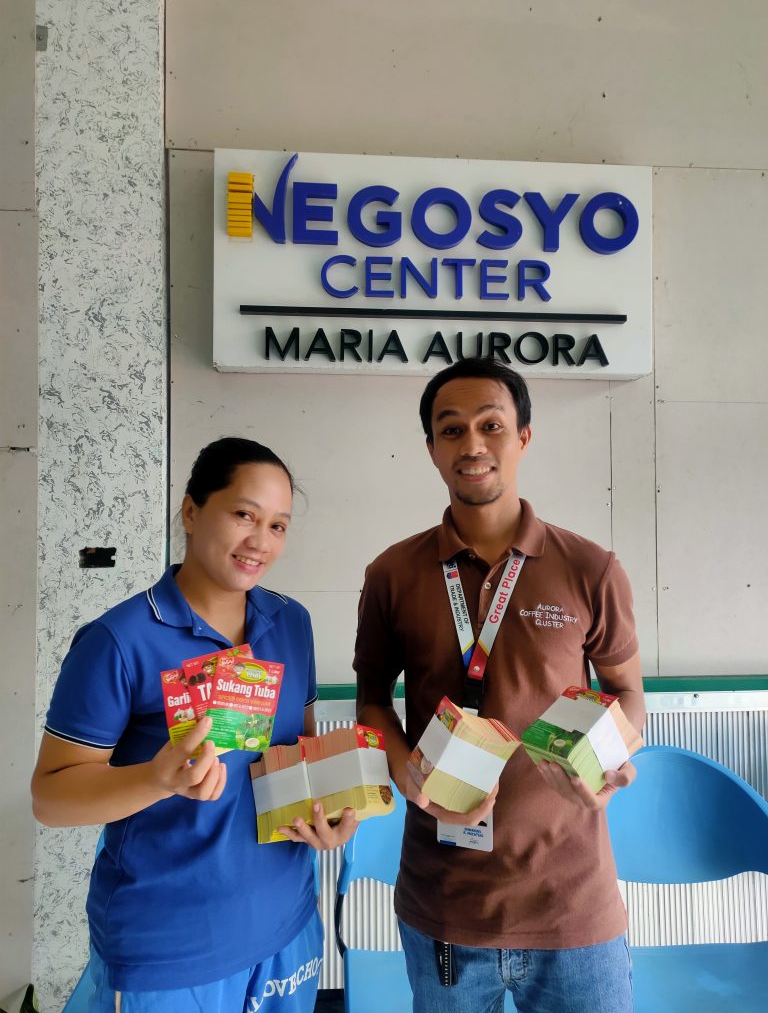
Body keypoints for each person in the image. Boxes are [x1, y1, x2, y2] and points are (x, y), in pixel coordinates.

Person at [354, 358, 645, 1013]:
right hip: (446, 906)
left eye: (491, 425)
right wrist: (408, 774)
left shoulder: (591, 568)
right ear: (431, 448)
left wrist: (612, 757)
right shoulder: (393, 574)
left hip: (573, 905)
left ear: (524, 437)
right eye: (450, 430)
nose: (473, 445)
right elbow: (371, 697)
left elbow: (628, 693)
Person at [32, 437, 357, 1013]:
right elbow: (51, 798)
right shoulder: (118, 641)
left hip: (286, 919)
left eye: (279, 526)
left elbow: (297, 752)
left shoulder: (290, 623)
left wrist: (328, 811)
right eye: (243, 515)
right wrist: (156, 778)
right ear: (190, 511)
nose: (261, 542)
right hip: (171, 942)